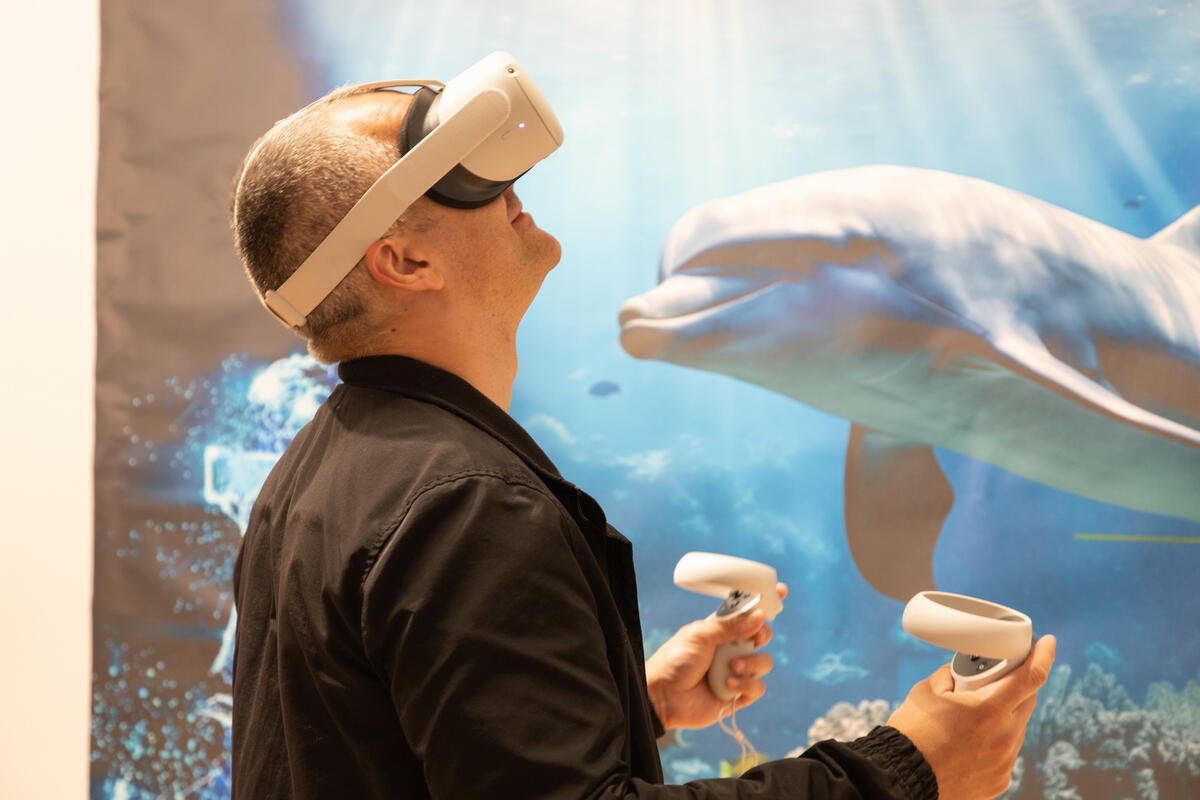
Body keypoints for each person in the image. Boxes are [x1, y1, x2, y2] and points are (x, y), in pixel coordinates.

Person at [228, 82, 1056, 800]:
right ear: (404, 262)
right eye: (459, 175)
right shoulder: (465, 504)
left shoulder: (317, 477)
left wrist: (635, 705)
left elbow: (382, 754)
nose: (508, 183)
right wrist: (904, 770)